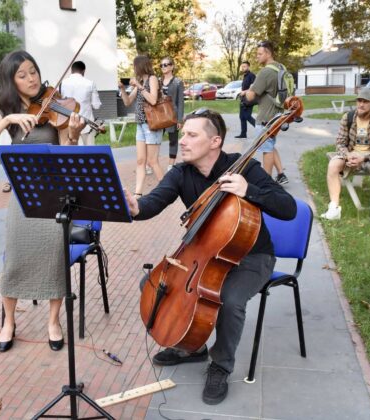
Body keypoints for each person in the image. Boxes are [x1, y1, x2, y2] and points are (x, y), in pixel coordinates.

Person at [123, 109, 296, 405]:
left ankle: (220, 365)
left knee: (230, 300)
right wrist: (136, 207)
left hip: (251, 257)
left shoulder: (245, 169)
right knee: (153, 283)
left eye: (192, 135)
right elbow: (154, 201)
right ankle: (192, 347)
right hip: (202, 253)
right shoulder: (181, 172)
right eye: (184, 134)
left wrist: (249, 190)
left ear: (215, 141)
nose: (183, 141)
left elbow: (288, 208)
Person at [0, 50, 84, 353]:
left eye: (33, 71)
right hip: (22, 197)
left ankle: (53, 321)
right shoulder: (7, 111)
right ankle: (8, 321)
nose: (31, 78)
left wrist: (73, 134)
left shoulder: (55, 108)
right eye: (22, 75)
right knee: (15, 259)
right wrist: (8, 118)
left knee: (54, 258)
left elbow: (68, 153)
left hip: (54, 196)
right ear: (11, 81)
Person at [320, 88, 370, 224]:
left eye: (365, 102)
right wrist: (348, 155)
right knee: (333, 165)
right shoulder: (348, 117)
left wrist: (364, 157)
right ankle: (334, 208)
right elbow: (340, 143)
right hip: (351, 153)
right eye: (359, 101)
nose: (361, 104)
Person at [118, 55, 164, 196]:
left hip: (152, 125)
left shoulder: (152, 79)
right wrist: (122, 89)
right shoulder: (140, 81)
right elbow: (127, 102)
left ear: (140, 66)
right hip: (140, 125)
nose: (133, 69)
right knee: (140, 160)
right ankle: (138, 193)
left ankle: (168, 189)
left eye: (134, 66)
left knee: (152, 161)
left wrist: (139, 87)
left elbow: (154, 100)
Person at [244, 41, 289, 185]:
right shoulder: (281, 68)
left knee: (266, 149)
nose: (257, 57)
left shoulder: (265, 72)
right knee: (270, 144)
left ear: (268, 53)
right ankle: (281, 174)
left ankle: (267, 182)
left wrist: (249, 89)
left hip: (266, 118)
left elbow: (251, 96)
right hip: (279, 115)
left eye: (259, 54)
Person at [60, 60, 102, 146]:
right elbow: (96, 105)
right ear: (83, 71)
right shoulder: (90, 83)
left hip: (69, 126)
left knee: (72, 155)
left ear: (71, 71)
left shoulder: (62, 83)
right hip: (87, 126)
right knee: (89, 154)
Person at [159, 56, 185, 171]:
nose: (163, 67)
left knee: (173, 140)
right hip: (158, 115)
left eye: (165, 64)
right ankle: (151, 163)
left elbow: (180, 102)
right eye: (161, 65)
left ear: (172, 66)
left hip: (172, 115)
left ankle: (170, 165)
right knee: (154, 139)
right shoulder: (158, 81)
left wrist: (180, 120)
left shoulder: (178, 82)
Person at [234, 60, 256, 138]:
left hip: (249, 99)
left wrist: (245, 92)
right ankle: (243, 134)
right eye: (242, 66)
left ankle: (262, 130)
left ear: (248, 67)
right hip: (243, 99)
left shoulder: (252, 75)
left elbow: (254, 87)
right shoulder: (245, 76)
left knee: (247, 116)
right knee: (242, 117)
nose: (243, 68)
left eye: (244, 66)